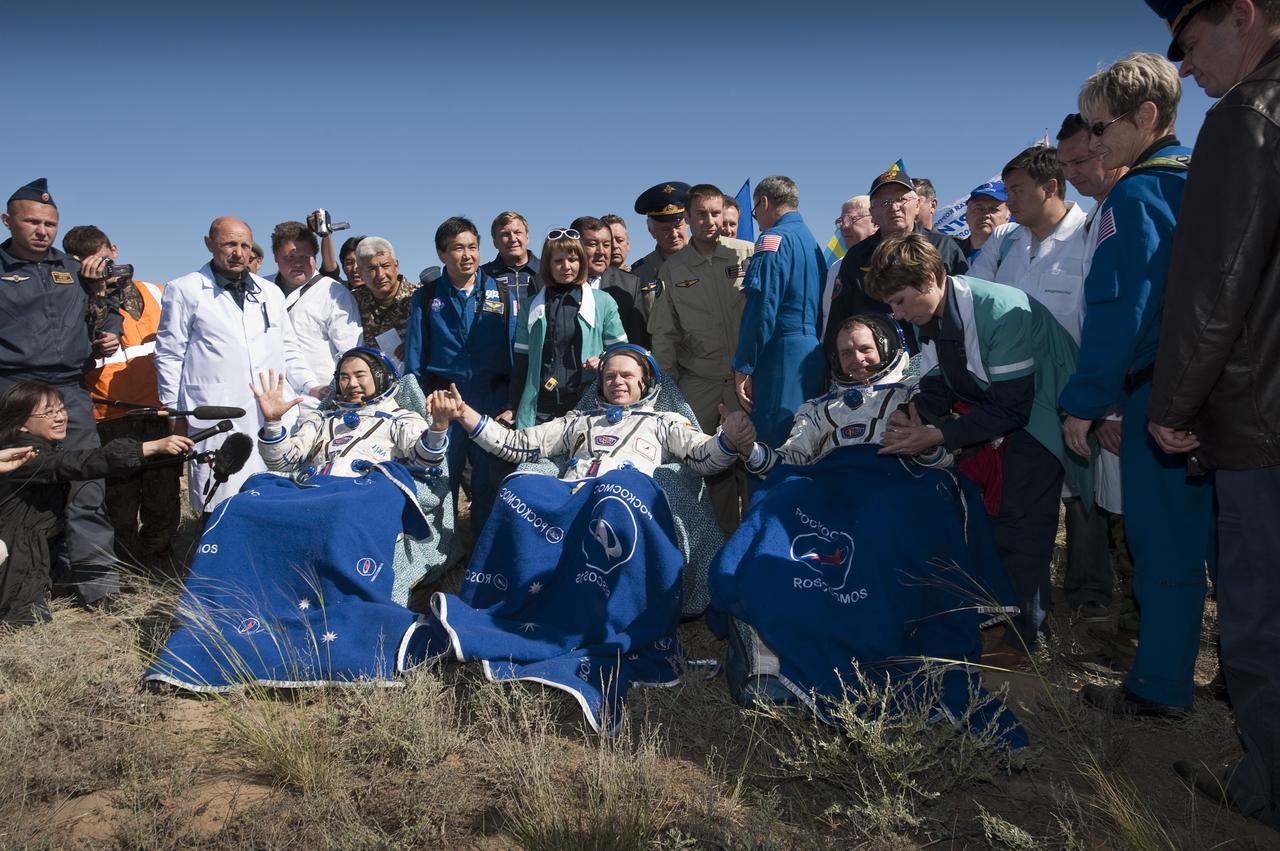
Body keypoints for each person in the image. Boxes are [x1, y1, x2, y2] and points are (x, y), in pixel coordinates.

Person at [1142, 0, 1280, 826]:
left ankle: (1269, 785)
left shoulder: (1246, 118)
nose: (1187, 68)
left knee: (1259, 616)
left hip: (1261, 418)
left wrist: (1174, 402)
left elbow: (1216, 280)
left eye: (1192, 44)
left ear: (1246, 13)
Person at [1058, 52, 1212, 718]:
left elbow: (1122, 307)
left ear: (1147, 117)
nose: (1093, 143)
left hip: (1160, 389)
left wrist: (1085, 403)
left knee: (1165, 545)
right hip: (1216, 389)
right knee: (1229, 550)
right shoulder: (1200, 177)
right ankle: (1237, 672)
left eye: (1101, 127)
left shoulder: (1139, 191)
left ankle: (1157, 685)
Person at [867, 234, 1084, 655]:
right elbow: (937, 382)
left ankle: (1027, 635)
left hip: (1041, 417)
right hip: (1000, 416)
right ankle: (1004, 614)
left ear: (930, 279)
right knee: (991, 519)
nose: (896, 314)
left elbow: (1014, 409)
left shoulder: (1000, 311)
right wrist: (914, 413)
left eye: (898, 301)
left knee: (1021, 524)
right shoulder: (928, 316)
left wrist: (937, 435)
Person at [0, 178, 123, 607]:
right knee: (20, 489)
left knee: (88, 482)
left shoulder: (73, 271)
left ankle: (97, 586)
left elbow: (109, 315)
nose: (42, 231)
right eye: (31, 222)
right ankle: (21, 587)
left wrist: (107, 331)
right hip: (12, 393)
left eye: (50, 224)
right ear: (7, 221)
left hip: (70, 393)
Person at [155, 216, 322, 513]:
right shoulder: (185, 289)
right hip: (216, 407)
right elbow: (169, 355)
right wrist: (173, 412)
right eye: (229, 244)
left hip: (269, 409)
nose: (238, 252)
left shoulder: (269, 292)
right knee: (220, 496)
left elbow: (288, 348)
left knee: (274, 490)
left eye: (244, 245)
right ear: (209, 244)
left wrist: (311, 384)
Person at [0, 381, 191, 626]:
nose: (59, 418)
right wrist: (147, 447)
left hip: (37, 552)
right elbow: (73, 463)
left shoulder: (43, 446)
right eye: (48, 413)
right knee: (23, 621)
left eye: (61, 409)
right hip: (13, 551)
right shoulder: (23, 454)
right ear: (21, 423)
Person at [65, 225, 181, 564]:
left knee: (164, 496)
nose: (100, 267)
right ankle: (126, 568)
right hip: (108, 415)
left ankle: (159, 563)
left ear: (113, 250)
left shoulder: (158, 292)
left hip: (158, 411)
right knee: (120, 501)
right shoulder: (75, 299)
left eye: (102, 258)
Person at [646, 185, 755, 534]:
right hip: (700, 385)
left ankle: (756, 542)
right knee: (710, 471)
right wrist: (667, 389)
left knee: (756, 463)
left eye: (715, 212)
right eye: (701, 214)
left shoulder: (747, 254)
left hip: (748, 381)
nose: (709, 221)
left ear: (724, 213)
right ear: (688, 219)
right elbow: (666, 334)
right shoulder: (674, 269)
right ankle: (720, 548)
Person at [403, 217, 519, 536]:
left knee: (489, 482)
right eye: (457, 248)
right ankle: (440, 558)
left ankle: (483, 557)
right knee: (440, 480)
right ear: (442, 254)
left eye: (472, 247)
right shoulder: (425, 298)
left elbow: (516, 355)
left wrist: (513, 402)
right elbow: (414, 360)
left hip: (490, 401)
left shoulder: (504, 295)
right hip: (443, 402)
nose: (466, 255)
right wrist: (418, 404)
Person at [825, 161, 969, 347]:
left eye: (902, 199)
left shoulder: (944, 247)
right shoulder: (856, 257)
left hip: (939, 355)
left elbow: (964, 304)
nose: (894, 207)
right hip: (876, 363)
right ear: (872, 214)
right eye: (885, 202)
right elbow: (840, 317)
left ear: (917, 205)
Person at [733, 175, 827, 448]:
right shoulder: (811, 241)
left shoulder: (772, 239)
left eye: (754, 213)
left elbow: (762, 308)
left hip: (780, 355)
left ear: (764, 202)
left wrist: (744, 364)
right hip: (810, 352)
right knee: (805, 440)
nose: (757, 220)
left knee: (771, 442)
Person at [253, 349, 438, 476]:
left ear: (381, 378)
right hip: (313, 492)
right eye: (344, 377)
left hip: (367, 499)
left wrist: (438, 428)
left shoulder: (400, 419)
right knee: (252, 490)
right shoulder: (321, 420)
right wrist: (273, 423)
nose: (351, 384)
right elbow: (283, 463)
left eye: (359, 375)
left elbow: (424, 461)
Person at [510, 229, 627, 427]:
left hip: (589, 404)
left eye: (572, 259)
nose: (566, 267)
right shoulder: (531, 306)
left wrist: (603, 361)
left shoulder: (604, 302)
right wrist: (511, 405)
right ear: (547, 264)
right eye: (558, 261)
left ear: (581, 261)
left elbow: (623, 354)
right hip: (540, 408)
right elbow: (521, 362)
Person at [269, 220, 362, 383]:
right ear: (276, 257)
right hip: (268, 397)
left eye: (305, 257)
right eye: (290, 257)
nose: (298, 263)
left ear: (315, 257)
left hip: (318, 399)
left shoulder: (335, 293)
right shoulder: (259, 290)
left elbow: (351, 353)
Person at [572, 216, 654, 347]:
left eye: (606, 245)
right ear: (575, 245)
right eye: (592, 244)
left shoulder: (630, 286)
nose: (601, 252)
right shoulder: (547, 284)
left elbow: (637, 342)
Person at [351, 237, 418, 366]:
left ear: (396, 265)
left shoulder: (419, 297)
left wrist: (415, 345)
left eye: (385, 266)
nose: (380, 274)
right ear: (359, 272)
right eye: (371, 269)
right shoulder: (352, 301)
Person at [822, 195, 877, 336]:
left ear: (875, 222)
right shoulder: (836, 267)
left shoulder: (887, 262)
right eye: (841, 221)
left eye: (852, 219)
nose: (844, 227)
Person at [629, 182, 689, 295]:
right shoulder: (639, 274)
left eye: (678, 226)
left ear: (688, 223)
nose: (674, 234)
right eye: (665, 229)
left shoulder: (707, 261)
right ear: (652, 231)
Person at [479, 211, 540, 306]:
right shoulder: (483, 275)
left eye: (517, 232)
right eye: (505, 234)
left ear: (527, 237)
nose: (513, 239)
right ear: (494, 242)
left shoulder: (547, 270)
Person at [957, 181, 1011, 263]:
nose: (985, 215)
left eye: (993, 209)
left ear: (1008, 215)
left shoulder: (1019, 251)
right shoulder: (950, 253)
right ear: (966, 216)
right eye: (978, 209)